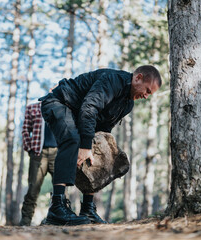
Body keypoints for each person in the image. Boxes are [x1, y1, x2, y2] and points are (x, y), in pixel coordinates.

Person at [39, 65, 162, 226]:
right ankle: (56, 207)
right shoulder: (113, 80)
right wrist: (84, 147)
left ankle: (88, 208)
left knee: (101, 149)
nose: (146, 96)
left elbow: (103, 128)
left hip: (79, 116)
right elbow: (89, 108)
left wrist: (95, 148)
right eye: (147, 90)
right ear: (137, 77)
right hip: (59, 103)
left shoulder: (128, 104)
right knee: (72, 139)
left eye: (150, 94)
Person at [19, 102, 58, 226]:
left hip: (58, 154)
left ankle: (56, 220)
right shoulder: (33, 107)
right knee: (33, 189)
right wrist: (29, 149)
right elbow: (25, 129)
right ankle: (25, 221)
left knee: (60, 190)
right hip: (38, 153)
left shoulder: (63, 107)